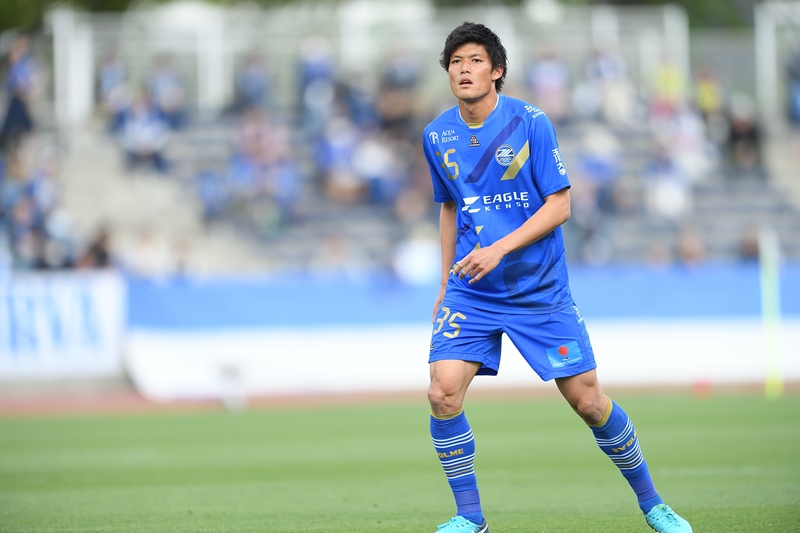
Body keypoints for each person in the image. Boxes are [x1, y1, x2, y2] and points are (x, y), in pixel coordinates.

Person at [421, 22, 692, 533]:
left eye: (475, 60)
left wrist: (498, 248)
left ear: (497, 71)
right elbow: (449, 208)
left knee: (589, 401)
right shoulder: (436, 135)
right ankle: (469, 517)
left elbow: (560, 205)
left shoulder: (530, 123)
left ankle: (654, 504)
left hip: (538, 290)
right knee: (442, 392)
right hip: (472, 291)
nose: (464, 69)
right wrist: (443, 287)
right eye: (456, 62)